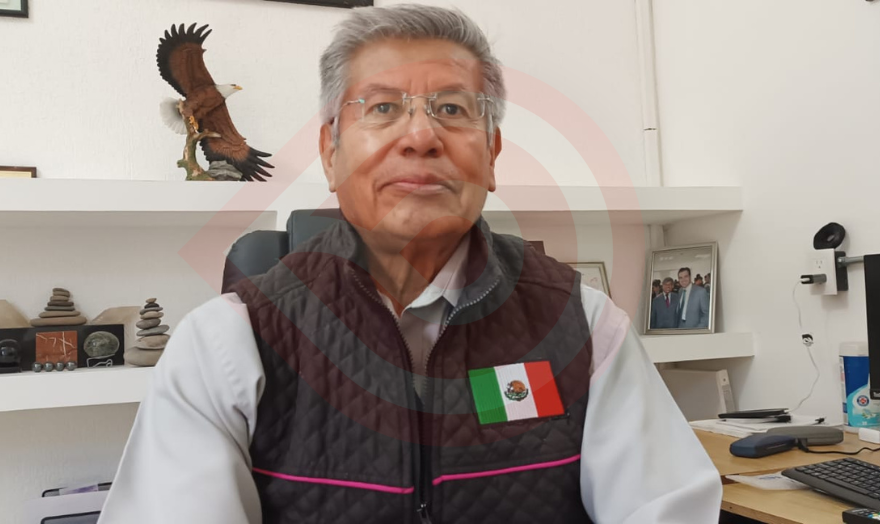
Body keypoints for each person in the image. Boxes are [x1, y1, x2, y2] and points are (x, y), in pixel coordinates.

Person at [98, 5, 721, 523]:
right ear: (330, 152)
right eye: (382, 108)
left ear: (492, 154)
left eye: (452, 109)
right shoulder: (226, 344)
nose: (421, 137)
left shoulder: (584, 324)